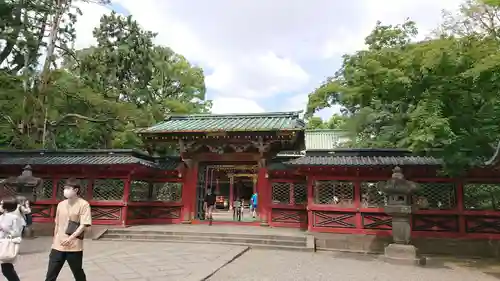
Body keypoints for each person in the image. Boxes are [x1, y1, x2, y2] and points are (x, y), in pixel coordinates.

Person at [45, 178, 92, 281]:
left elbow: (84, 224)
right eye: (64, 188)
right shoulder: (61, 204)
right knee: (51, 274)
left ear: (76, 190)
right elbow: (57, 224)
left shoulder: (84, 204)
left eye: (68, 188)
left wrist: (71, 238)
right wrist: (54, 241)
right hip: (58, 244)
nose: (65, 190)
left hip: (74, 245)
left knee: (77, 272)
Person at [0, 196, 25, 281]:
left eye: (1, 204)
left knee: (6, 269)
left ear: (6, 207)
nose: (0, 206)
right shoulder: (1, 217)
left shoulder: (15, 218)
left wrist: (4, 228)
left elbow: (17, 233)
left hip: (6, 245)